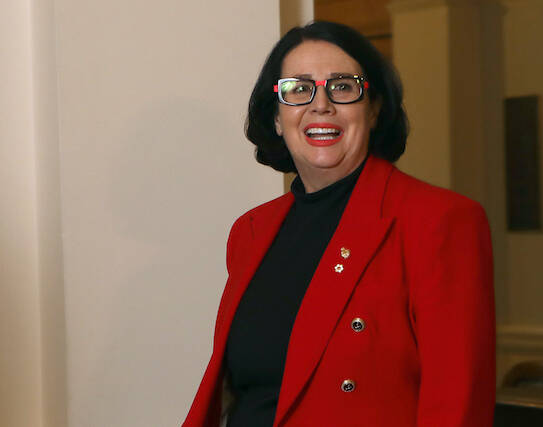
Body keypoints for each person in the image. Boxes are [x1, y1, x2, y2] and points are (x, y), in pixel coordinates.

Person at [183, 21, 495, 427]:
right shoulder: (251, 231)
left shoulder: (440, 221)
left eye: (343, 87)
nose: (320, 105)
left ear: (375, 106)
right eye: (298, 90)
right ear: (277, 117)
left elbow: (458, 407)